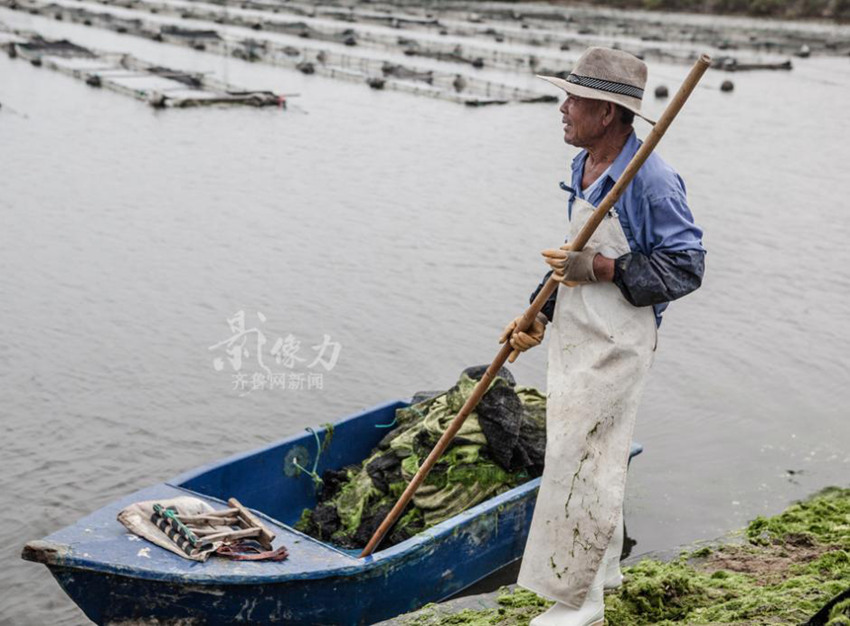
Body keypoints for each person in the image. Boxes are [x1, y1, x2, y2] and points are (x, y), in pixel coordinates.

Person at [499, 47, 705, 626]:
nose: (562, 108)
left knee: (582, 459)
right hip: (577, 330)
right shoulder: (586, 165)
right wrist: (535, 312)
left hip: (618, 340)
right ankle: (601, 573)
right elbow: (574, 252)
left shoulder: (651, 181)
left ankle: (579, 602)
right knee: (587, 455)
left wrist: (607, 269)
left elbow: (687, 267)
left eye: (575, 99)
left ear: (609, 113)